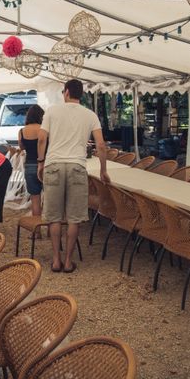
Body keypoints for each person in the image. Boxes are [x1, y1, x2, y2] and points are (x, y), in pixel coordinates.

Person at [37, 79, 110, 273]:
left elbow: (42, 138)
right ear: (81, 94)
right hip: (77, 166)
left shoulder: (52, 111)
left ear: (67, 92)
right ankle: (68, 261)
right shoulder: (90, 115)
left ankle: (55, 260)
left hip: (54, 165)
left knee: (54, 218)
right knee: (73, 218)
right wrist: (103, 170)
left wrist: (40, 161)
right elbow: (101, 145)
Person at [18, 104, 45, 217]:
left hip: (29, 166)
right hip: (44, 165)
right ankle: (50, 229)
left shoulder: (22, 131)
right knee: (49, 199)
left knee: (35, 199)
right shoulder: (44, 129)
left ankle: (37, 232)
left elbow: (22, 147)